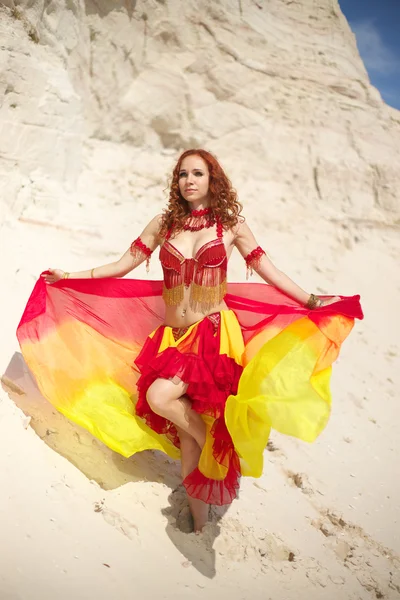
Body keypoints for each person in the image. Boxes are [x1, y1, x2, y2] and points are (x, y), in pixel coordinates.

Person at [18, 149, 362, 533]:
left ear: (213, 179)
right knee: (185, 434)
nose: (189, 181)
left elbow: (269, 270)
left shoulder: (231, 226)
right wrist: (71, 276)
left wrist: (313, 302)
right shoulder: (165, 224)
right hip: (171, 337)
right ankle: (198, 520)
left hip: (211, 335)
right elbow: (122, 264)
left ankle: (219, 443)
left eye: (197, 173)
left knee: (159, 397)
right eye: (182, 174)